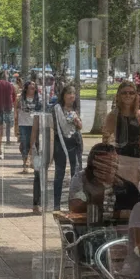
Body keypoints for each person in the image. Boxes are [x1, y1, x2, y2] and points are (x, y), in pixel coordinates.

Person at [68, 143, 140, 222]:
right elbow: (75, 208)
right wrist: (98, 193)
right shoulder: (82, 178)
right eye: (105, 164)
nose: (110, 168)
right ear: (94, 164)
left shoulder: (125, 184)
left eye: (113, 163)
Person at [37, 84, 83, 212]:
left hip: (74, 144)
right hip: (60, 144)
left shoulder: (75, 109)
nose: (71, 96)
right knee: (60, 174)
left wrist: (77, 122)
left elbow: (80, 127)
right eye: (69, 93)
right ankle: (56, 204)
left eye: (73, 94)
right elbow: (51, 127)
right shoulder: (56, 109)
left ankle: (73, 203)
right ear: (63, 96)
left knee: (76, 174)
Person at [17, 81, 44, 174]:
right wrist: (16, 126)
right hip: (23, 124)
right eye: (31, 85)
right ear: (26, 88)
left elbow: (42, 110)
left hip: (35, 124)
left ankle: (32, 162)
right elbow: (17, 110)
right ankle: (25, 163)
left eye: (34, 85)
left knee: (35, 144)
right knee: (24, 144)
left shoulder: (39, 98)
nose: (33, 86)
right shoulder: (20, 98)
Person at [0, 70, 16, 157]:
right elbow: (13, 96)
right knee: (4, 126)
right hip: (7, 107)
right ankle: (2, 143)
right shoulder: (10, 85)